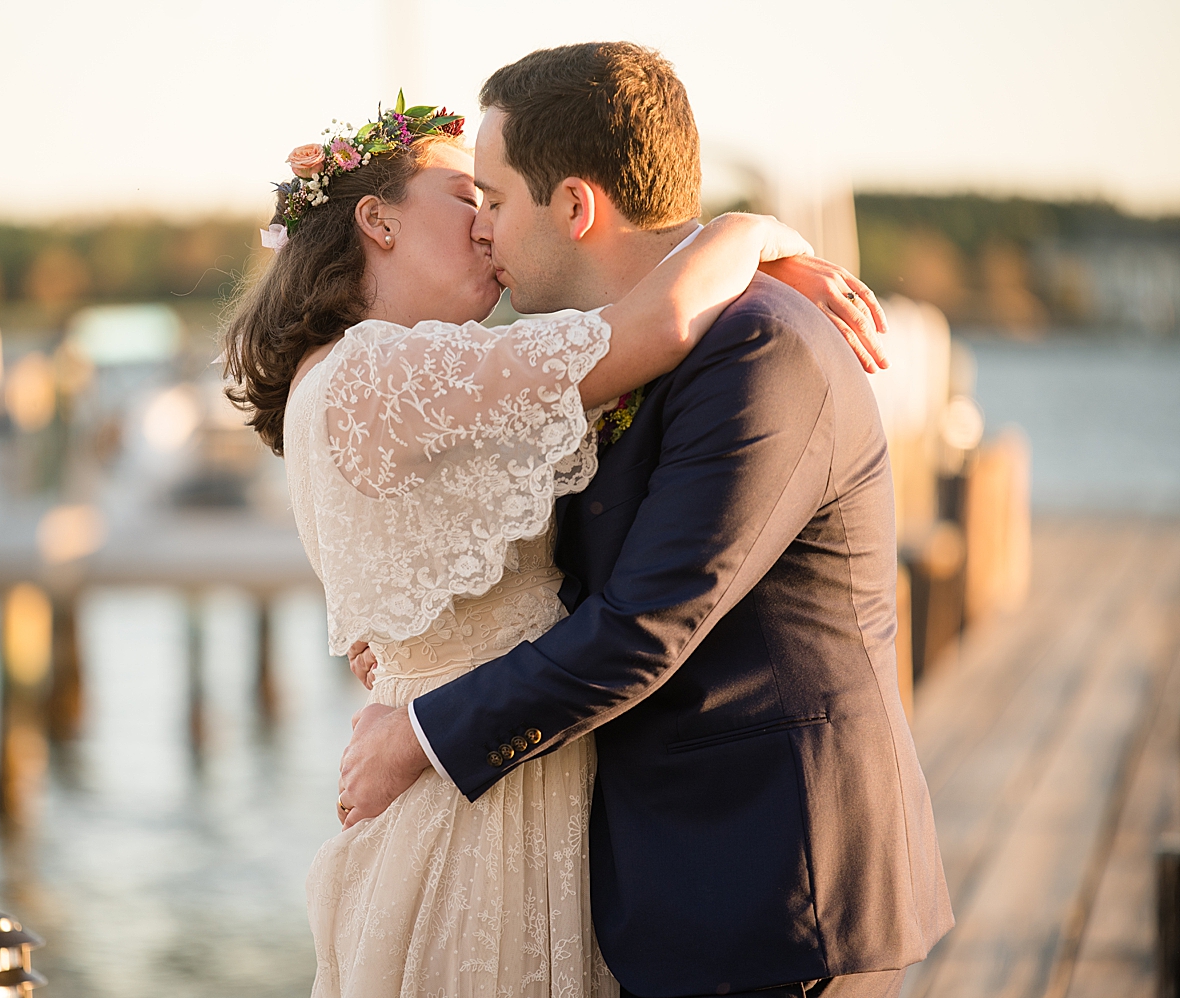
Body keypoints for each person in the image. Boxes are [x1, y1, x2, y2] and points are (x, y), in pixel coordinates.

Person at [222, 59, 900, 998]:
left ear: (573, 205)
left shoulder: (447, 374)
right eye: (465, 196)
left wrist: (417, 691)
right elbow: (652, 323)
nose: (484, 223)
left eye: (490, 198)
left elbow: (578, 594)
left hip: (632, 826)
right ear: (375, 220)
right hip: (477, 805)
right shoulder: (378, 374)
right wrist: (750, 231)